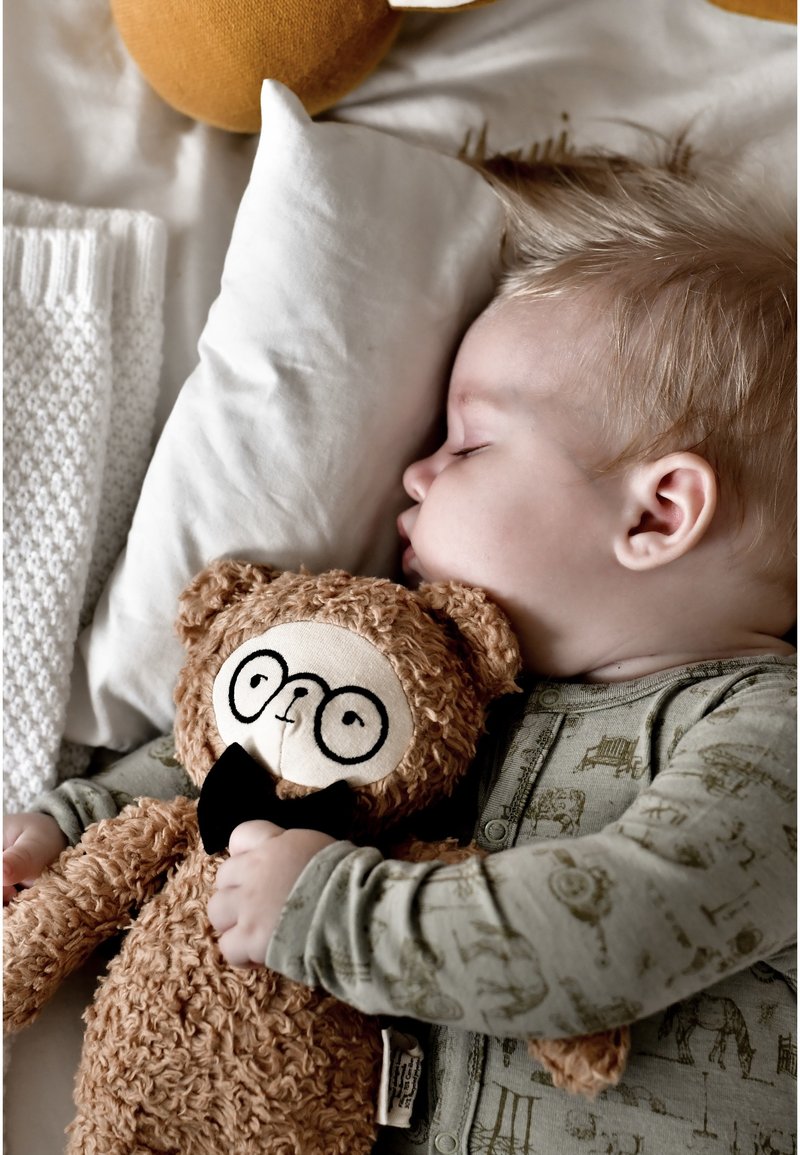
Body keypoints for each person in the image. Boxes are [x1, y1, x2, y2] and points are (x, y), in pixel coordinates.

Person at [5, 149, 796, 1153]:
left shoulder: (765, 731)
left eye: (468, 444)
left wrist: (330, 912)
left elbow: (620, 930)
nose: (416, 475)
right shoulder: (470, 696)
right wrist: (72, 824)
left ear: (658, 513)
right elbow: (261, 749)